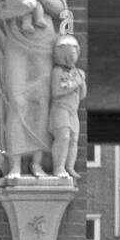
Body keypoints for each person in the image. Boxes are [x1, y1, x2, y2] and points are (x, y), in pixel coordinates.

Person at [0, 0, 71, 178]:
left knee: (40, 101)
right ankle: (15, 165)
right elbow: (3, 8)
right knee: (17, 99)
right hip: (16, 38)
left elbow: (62, 9)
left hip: (44, 41)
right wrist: (19, 7)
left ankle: (37, 163)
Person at [48, 35, 86, 178]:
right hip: (60, 109)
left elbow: (82, 95)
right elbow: (57, 92)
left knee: (73, 139)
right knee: (63, 136)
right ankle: (59, 167)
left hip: (73, 111)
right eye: (67, 55)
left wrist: (81, 81)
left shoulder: (77, 72)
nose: (70, 58)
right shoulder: (58, 71)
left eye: (73, 54)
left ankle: (69, 167)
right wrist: (76, 82)